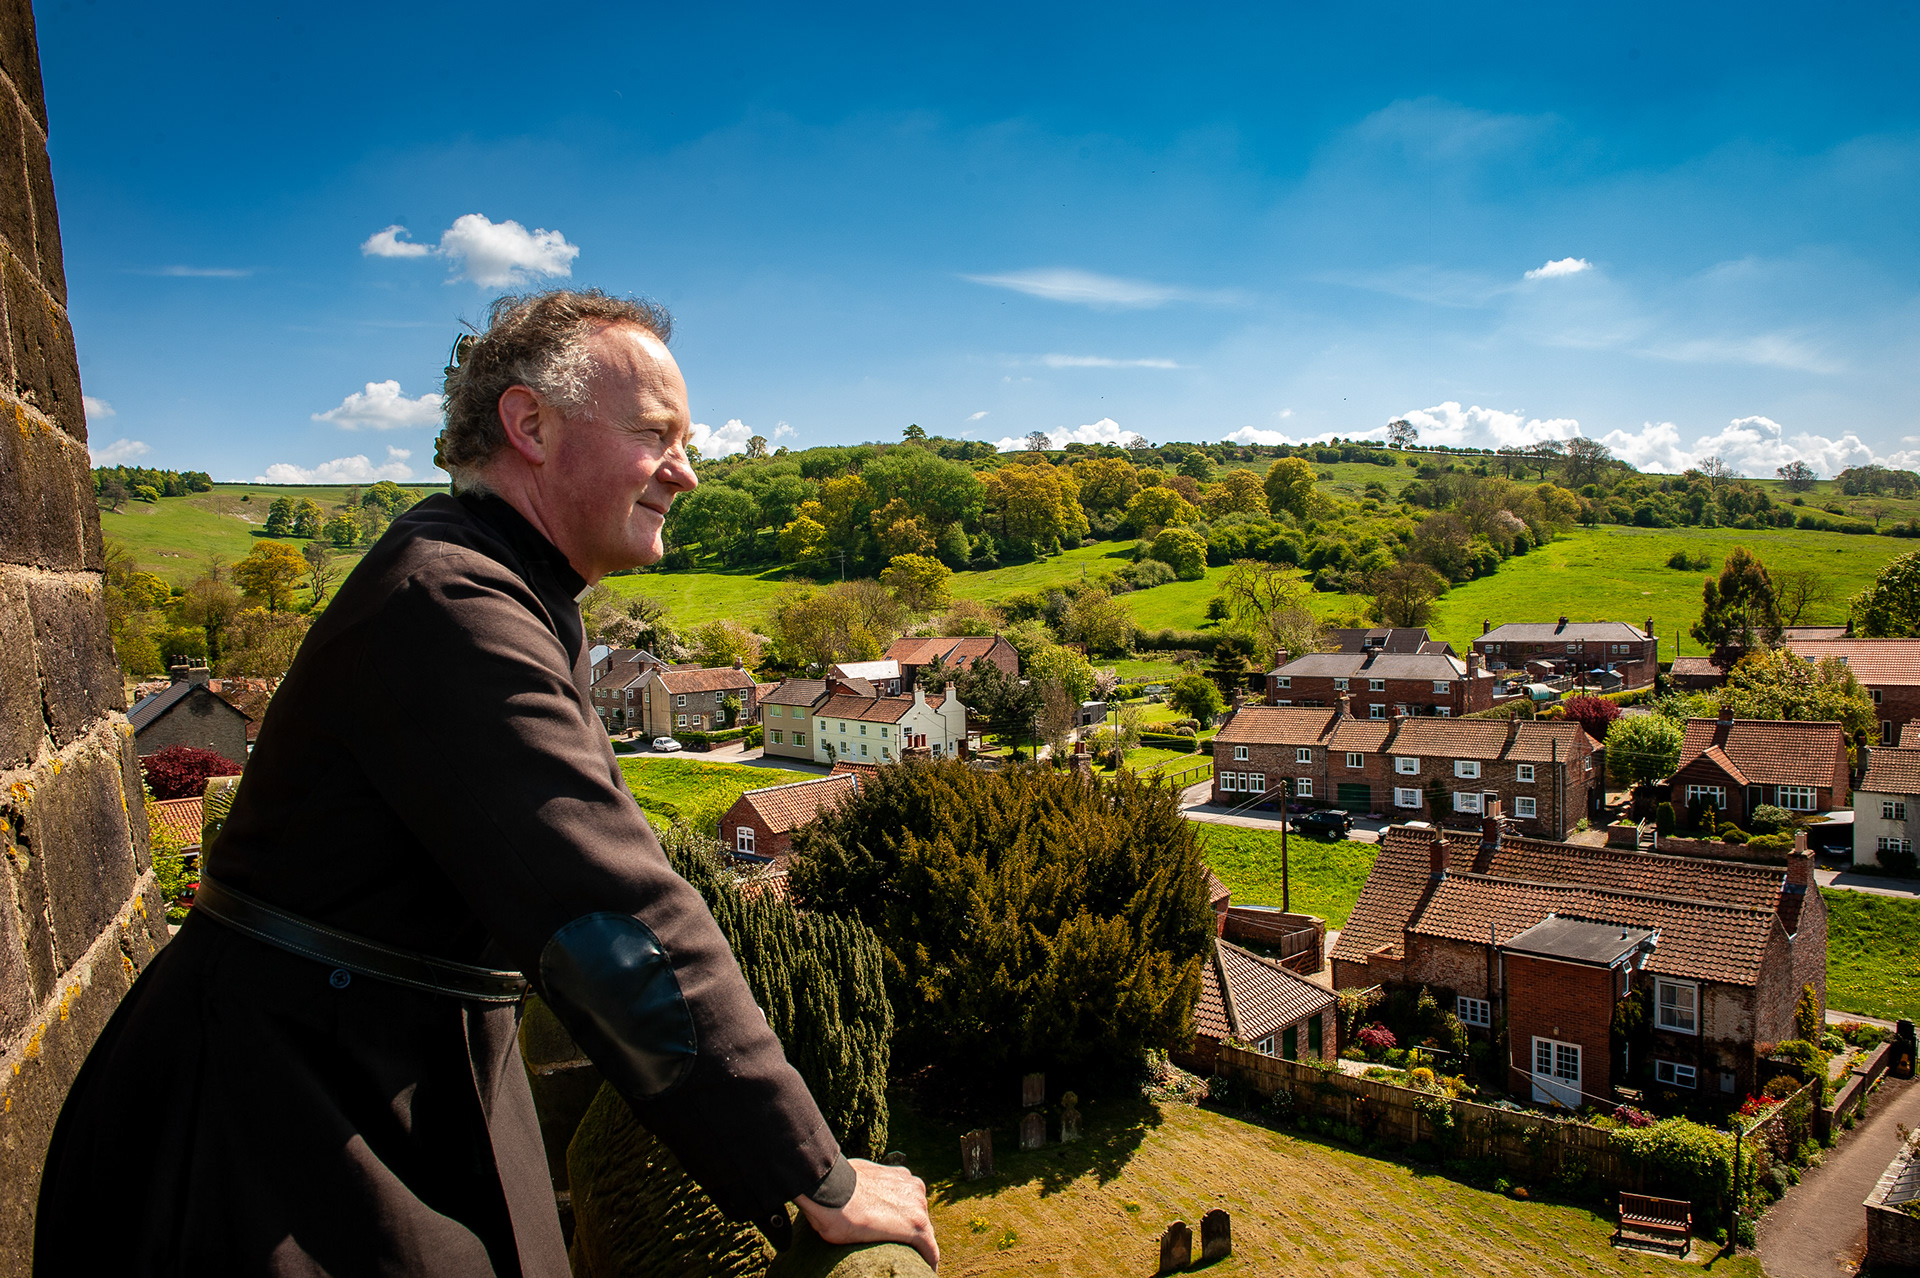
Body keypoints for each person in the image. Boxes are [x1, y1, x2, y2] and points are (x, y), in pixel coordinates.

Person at [36, 290, 938, 1275]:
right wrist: (816, 1175)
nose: (686, 471)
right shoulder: (452, 603)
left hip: (354, 1067)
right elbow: (616, 918)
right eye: (655, 435)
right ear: (531, 424)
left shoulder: (493, 581)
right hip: (279, 1122)